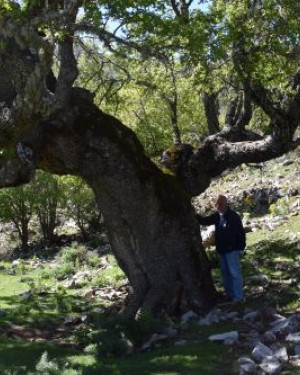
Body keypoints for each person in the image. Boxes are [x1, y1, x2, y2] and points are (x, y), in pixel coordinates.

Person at [196, 195, 246, 303]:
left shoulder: (233, 216)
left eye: (221, 204)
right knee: (225, 274)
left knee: (235, 274)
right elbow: (205, 221)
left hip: (232, 249)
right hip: (222, 250)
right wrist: (194, 215)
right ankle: (230, 295)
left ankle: (238, 297)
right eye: (217, 204)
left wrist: (241, 248)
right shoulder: (217, 216)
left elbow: (241, 233)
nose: (218, 206)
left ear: (226, 204)